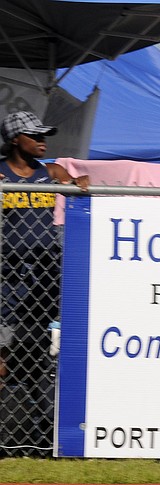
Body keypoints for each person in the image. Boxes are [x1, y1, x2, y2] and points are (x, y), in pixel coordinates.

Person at [0, 111, 89, 395]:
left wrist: (82, 183)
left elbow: (77, 185)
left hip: (43, 276)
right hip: (7, 275)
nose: (42, 141)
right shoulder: (2, 173)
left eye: (44, 136)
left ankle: (29, 410)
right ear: (16, 140)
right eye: (35, 136)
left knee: (34, 348)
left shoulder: (50, 172)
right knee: (2, 349)